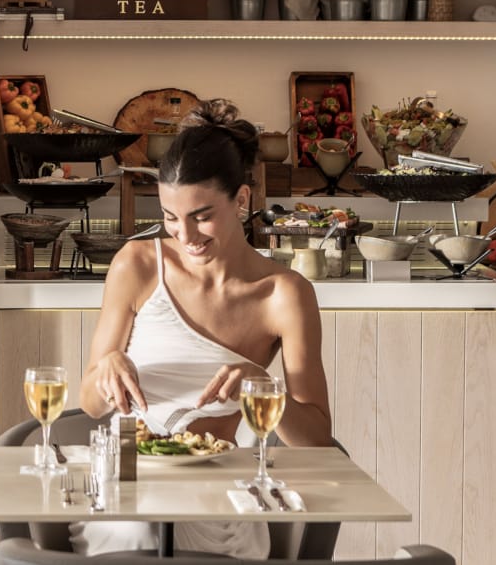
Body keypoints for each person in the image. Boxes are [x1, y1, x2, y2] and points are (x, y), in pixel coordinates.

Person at [75, 99, 332, 559]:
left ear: (242, 199)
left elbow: (316, 440)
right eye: (171, 218)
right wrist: (107, 367)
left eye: (202, 216)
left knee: (168, 536)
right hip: (129, 478)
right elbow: (90, 404)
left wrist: (261, 389)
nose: (186, 235)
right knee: (139, 534)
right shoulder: (137, 265)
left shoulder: (283, 293)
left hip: (218, 492)